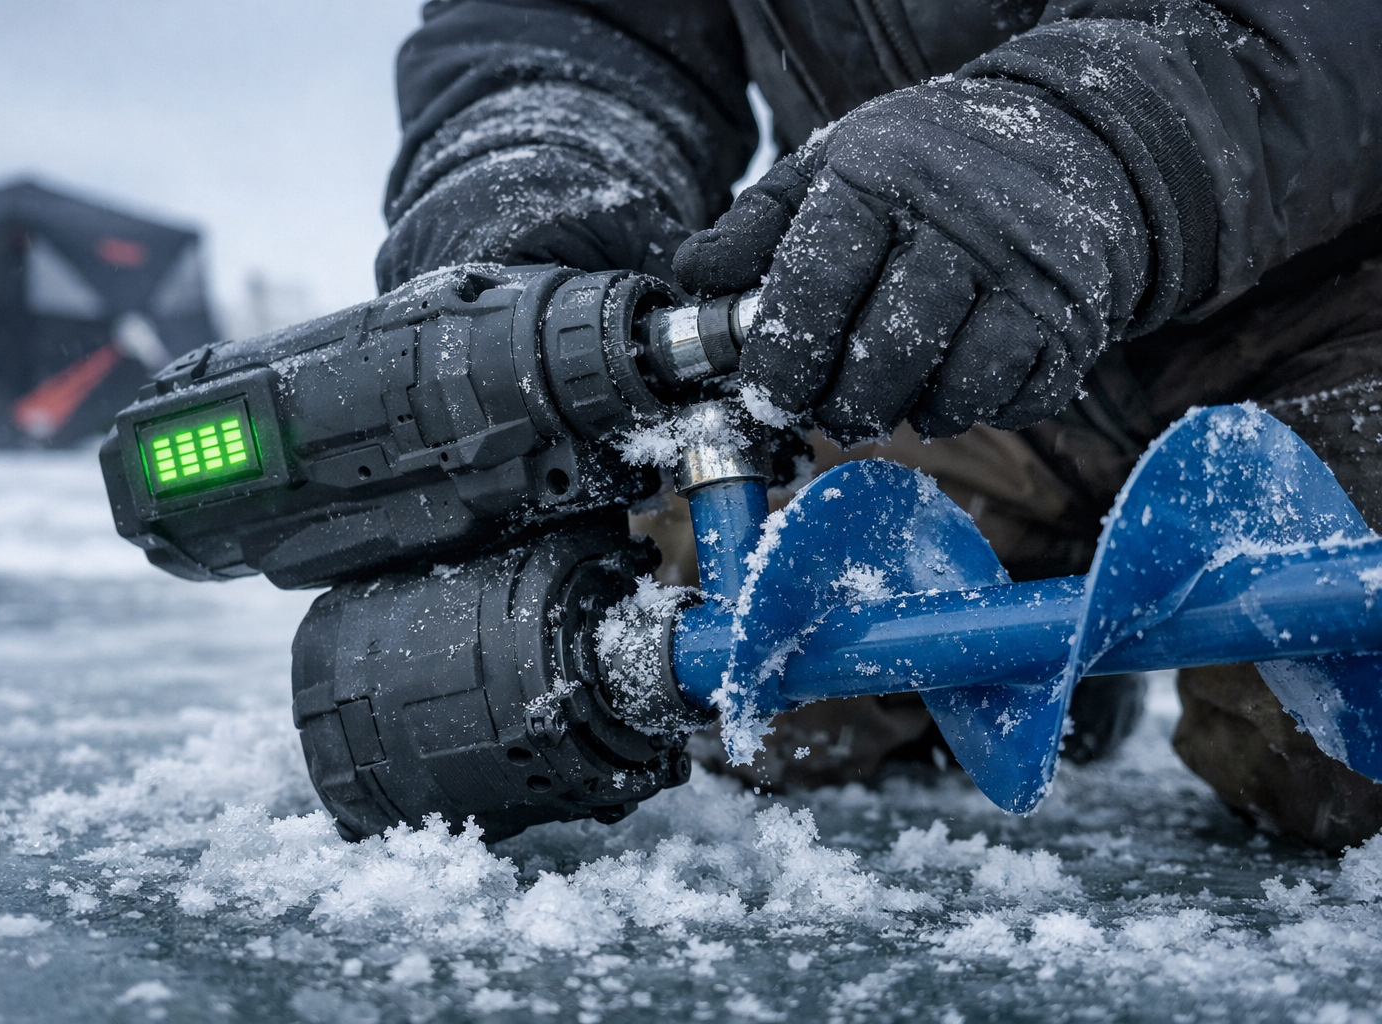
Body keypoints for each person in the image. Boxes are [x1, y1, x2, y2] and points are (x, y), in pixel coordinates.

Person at [376, 0, 1382, 850]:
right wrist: (538, 174)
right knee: (732, 682)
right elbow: (582, 22)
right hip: (937, 326)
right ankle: (1047, 660)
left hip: (1329, 294)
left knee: (1327, 752)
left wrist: (1102, 133)